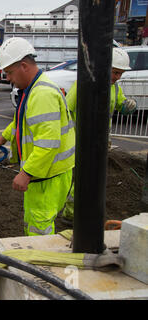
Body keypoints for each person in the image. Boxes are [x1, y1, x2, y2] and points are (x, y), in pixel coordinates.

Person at [0, 37, 75, 236]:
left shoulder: (41, 95)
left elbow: (48, 142)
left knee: (40, 224)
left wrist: (26, 173)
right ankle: (32, 251)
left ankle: (38, 262)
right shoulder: (33, 89)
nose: (8, 79)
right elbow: (22, 120)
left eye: (9, 73)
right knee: (33, 220)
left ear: (24, 66)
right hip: (45, 173)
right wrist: (3, 137)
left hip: (48, 175)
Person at [61, 47, 137, 224]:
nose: (117, 77)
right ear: (105, 67)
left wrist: (127, 105)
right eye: (115, 72)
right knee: (82, 178)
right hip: (81, 140)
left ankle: (85, 211)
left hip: (100, 142)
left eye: (120, 74)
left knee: (94, 178)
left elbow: (120, 104)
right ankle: (70, 214)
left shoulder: (114, 88)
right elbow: (67, 110)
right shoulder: (85, 83)